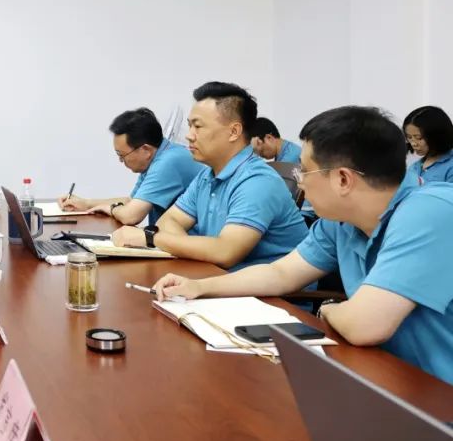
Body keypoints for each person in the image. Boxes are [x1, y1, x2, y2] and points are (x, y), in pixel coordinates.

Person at [153, 106, 453, 385]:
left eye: (304, 171)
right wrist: (199, 287)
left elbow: (365, 326)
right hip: (383, 377)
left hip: (436, 394)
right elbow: (281, 273)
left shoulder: (430, 212)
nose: (300, 183)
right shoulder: (341, 221)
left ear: (343, 179)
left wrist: (329, 309)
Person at [112, 82, 307, 271]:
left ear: (234, 132)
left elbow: (225, 252)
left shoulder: (257, 181)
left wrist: (151, 238)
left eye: (198, 126)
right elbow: (168, 221)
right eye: (189, 126)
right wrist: (198, 250)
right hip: (217, 278)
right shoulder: (207, 175)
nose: (189, 135)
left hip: (270, 291)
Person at [58, 108, 201, 225]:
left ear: (145, 150)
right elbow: (131, 202)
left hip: (188, 245)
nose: (121, 161)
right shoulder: (159, 155)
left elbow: (131, 216)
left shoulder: (168, 162)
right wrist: (86, 203)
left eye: (122, 155)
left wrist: (112, 209)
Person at [401, 106, 453, 188]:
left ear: (437, 136)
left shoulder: (450, 166)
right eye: (409, 137)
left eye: (419, 138)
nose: (413, 143)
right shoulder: (415, 167)